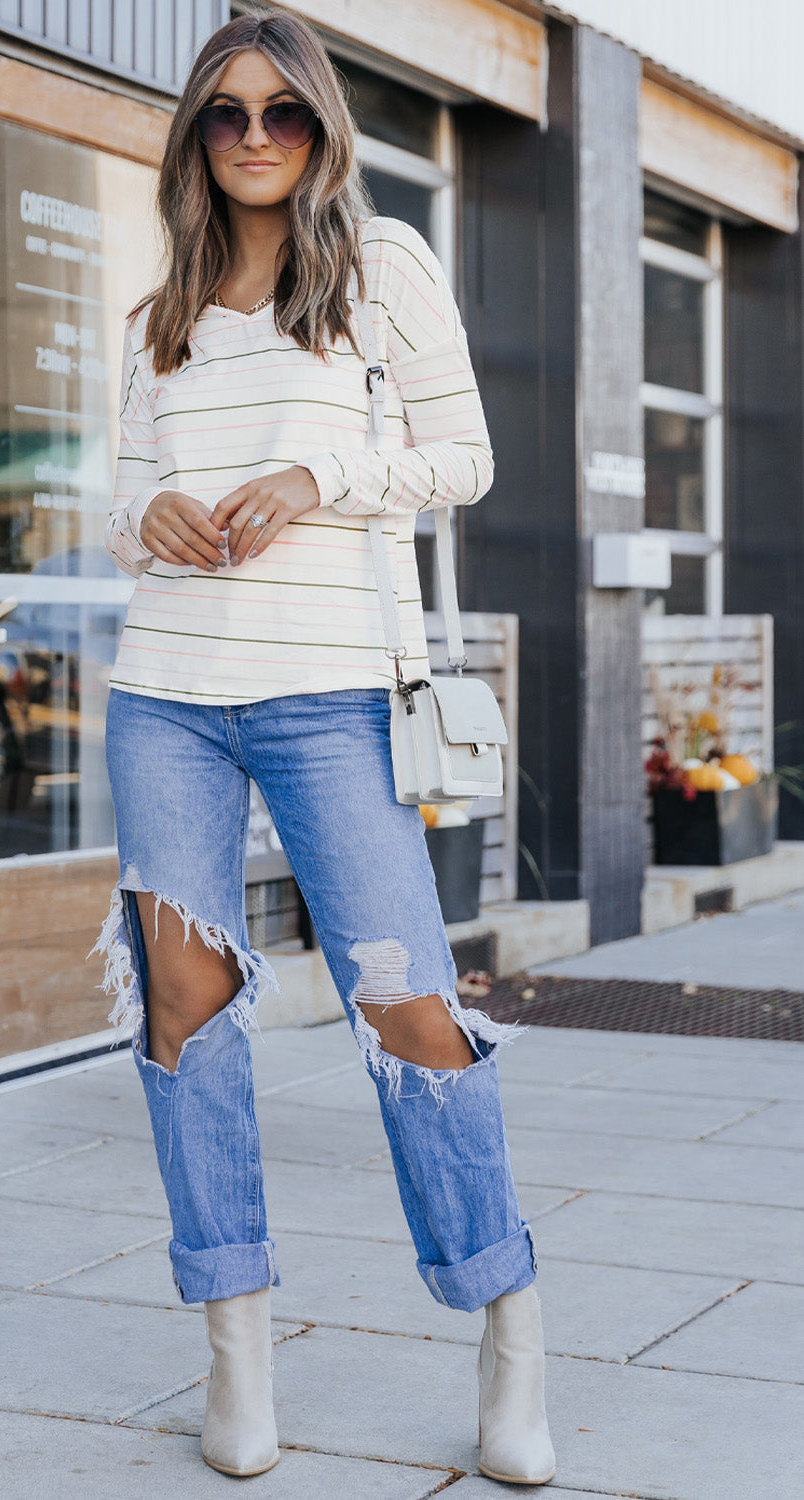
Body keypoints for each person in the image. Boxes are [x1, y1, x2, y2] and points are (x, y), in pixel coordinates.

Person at [96, 9, 555, 1486]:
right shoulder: (156, 310)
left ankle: (505, 1333)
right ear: (193, 134)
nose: (250, 139)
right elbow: (120, 501)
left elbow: (463, 458)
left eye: (279, 113)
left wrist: (316, 474)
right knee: (186, 1008)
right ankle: (234, 1354)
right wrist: (145, 521)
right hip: (164, 688)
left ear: (321, 126)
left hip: (324, 689)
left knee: (405, 1003)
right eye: (223, 115)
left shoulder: (381, 268)